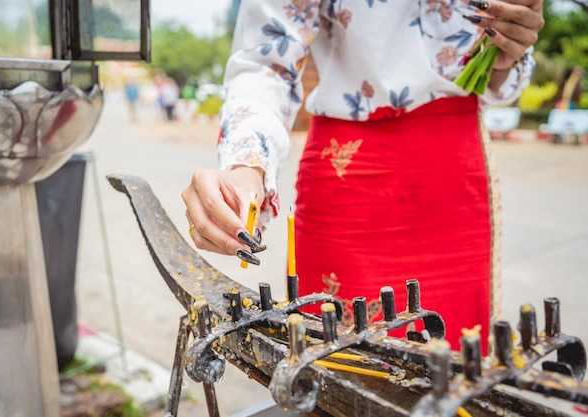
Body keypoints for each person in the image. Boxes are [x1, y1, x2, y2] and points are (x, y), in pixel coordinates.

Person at [182, 0, 544, 353]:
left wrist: (508, 50)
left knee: (456, 368)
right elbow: (266, 60)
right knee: (345, 363)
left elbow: (499, 61)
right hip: (349, 176)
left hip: (452, 175)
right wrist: (247, 169)